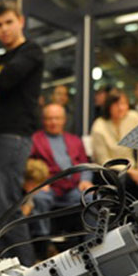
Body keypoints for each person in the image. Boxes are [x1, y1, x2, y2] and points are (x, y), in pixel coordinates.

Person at [0, 0, 43, 266]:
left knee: (6, 207)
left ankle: (25, 270)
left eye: (8, 22)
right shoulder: (1, 60)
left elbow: (2, 82)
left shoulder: (31, 51)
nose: (4, 29)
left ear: (21, 21)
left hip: (12, 137)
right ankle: (7, 267)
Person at [28, 103, 92, 243]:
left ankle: (92, 241)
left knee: (91, 197)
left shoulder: (75, 140)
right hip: (48, 187)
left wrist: (85, 180)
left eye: (57, 118)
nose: (53, 122)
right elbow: (28, 165)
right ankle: (43, 243)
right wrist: (38, 182)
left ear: (64, 120)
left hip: (73, 187)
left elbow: (85, 164)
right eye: (49, 118)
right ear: (43, 120)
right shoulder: (35, 140)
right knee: (39, 198)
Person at [90, 91, 138, 190]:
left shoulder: (133, 117)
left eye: (124, 104)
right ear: (109, 106)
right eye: (117, 105)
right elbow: (103, 160)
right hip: (109, 169)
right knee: (127, 180)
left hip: (133, 167)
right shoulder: (99, 126)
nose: (121, 108)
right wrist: (130, 171)